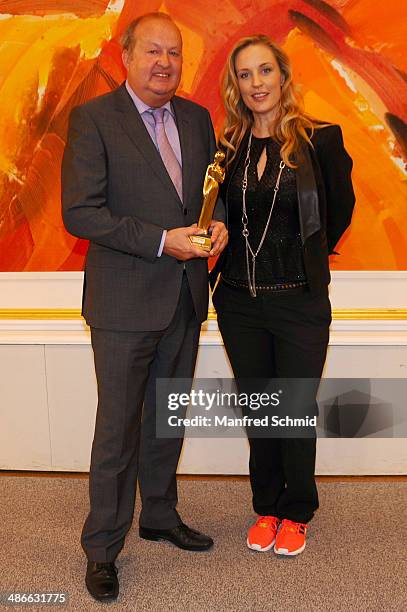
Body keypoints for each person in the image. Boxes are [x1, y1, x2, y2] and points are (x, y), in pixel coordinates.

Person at [61, 12, 227, 601]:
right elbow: (81, 213)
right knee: (117, 431)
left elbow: (211, 194)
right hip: (123, 304)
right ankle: (102, 547)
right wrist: (164, 241)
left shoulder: (197, 118)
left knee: (166, 421)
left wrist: (220, 228)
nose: (165, 63)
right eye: (154, 51)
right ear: (126, 56)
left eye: (175, 53)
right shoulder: (93, 120)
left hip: (184, 299)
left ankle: (159, 515)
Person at [211, 35, 355, 557]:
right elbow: (221, 215)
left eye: (265, 71)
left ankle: (298, 511)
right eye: (245, 75)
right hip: (238, 302)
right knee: (259, 410)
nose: (256, 84)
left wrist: (304, 257)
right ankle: (266, 506)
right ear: (237, 85)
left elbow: (337, 213)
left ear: (283, 75)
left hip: (298, 301)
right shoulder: (228, 147)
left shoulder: (322, 138)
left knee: (292, 408)